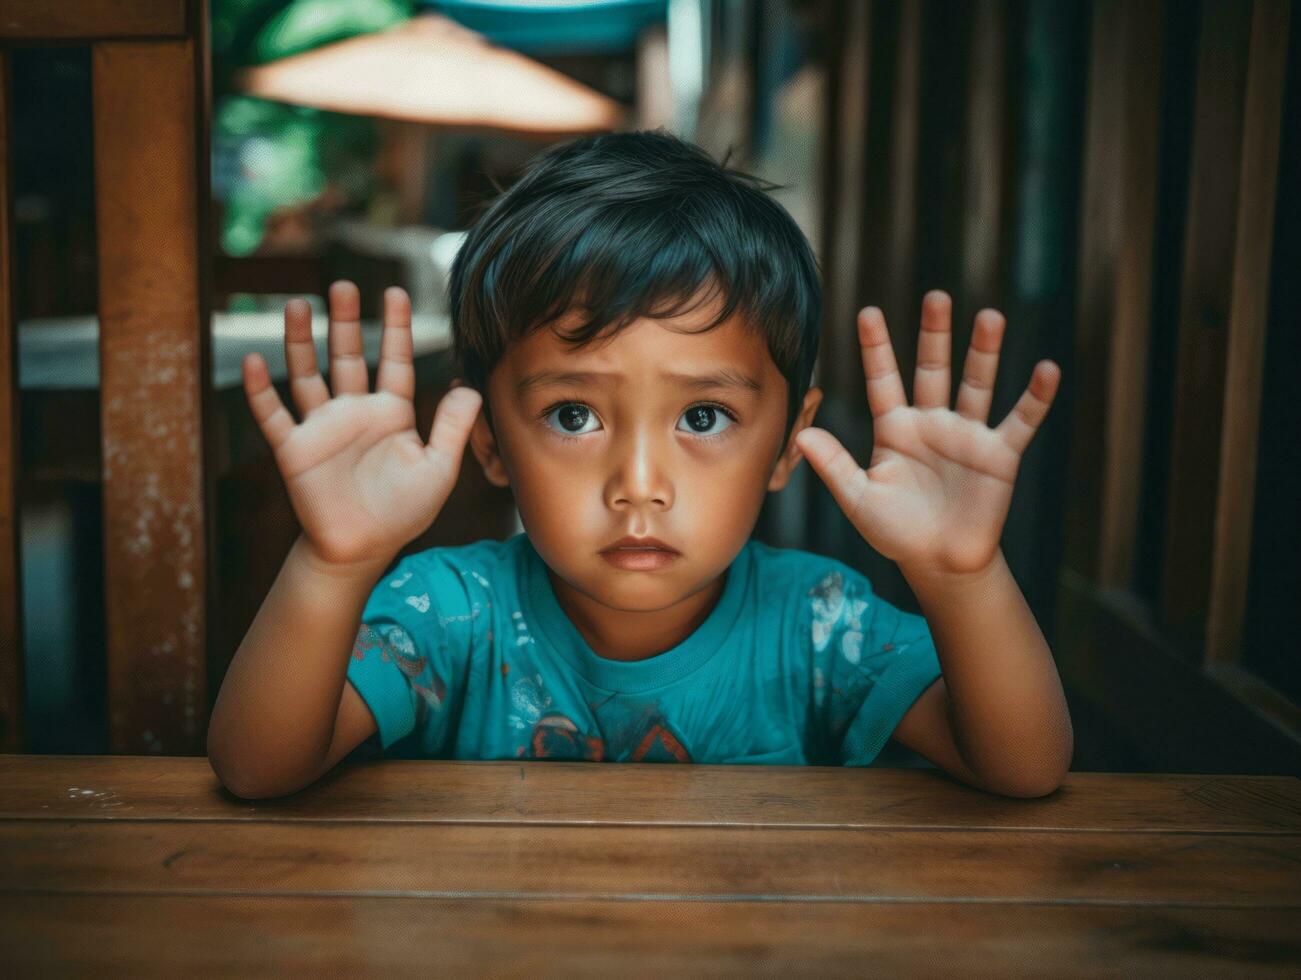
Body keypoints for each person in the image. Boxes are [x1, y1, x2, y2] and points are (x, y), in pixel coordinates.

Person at [207, 129, 1074, 800]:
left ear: (784, 443)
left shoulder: (818, 627)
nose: (638, 485)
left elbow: (1023, 768)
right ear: (489, 444)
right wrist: (335, 564)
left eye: (703, 416)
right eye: (573, 415)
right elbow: (256, 768)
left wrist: (962, 576)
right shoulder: (449, 615)